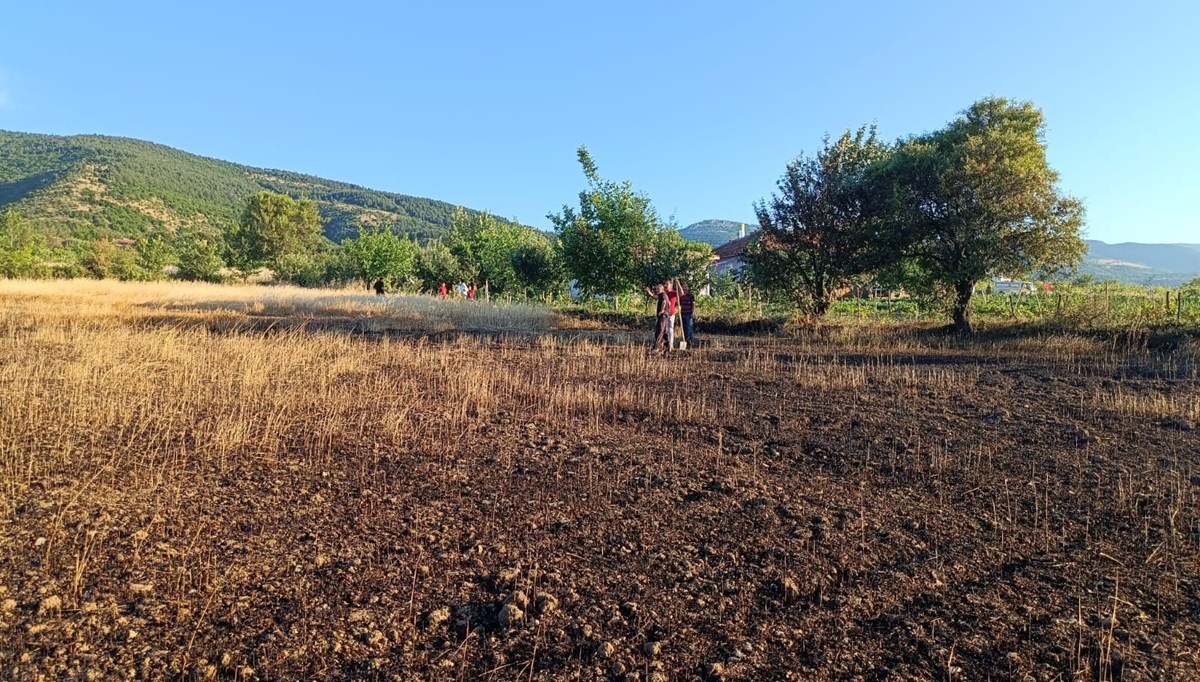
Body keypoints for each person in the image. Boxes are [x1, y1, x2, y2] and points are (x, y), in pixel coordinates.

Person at [644, 283, 670, 355]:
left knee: (659, 332)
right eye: (656, 289)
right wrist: (649, 292)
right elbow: (654, 296)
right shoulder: (661, 295)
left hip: (663, 317)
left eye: (658, 289)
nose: (657, 290)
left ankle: (656, 348)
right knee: (665, 333)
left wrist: (661, 311)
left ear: (662, 289)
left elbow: (664, 302)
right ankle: (667, 350)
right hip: (665, 317)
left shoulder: (663, 295)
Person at [676, 278, 695, 348]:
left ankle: (690, 341)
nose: (684, 288)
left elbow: (693, 304)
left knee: (689, 328)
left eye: (685, 287)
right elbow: (679, 304)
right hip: (682, 313)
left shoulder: (691, 295)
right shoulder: (681, 296)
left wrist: (692, 312)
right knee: (684, 328)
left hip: (688, 313)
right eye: (683, 287)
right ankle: (686, 341)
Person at [663, 279, 679, 351]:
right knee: (664, 330)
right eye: (665, 284)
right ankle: (665, 344)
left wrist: (678, 283)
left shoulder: (673, 293)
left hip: (671, 313)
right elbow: (656, 296)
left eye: (667, 284)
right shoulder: (663, 294)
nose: (665, 285)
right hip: (664, 314)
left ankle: (670, 345)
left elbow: (681, 293)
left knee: (670, 329)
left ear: (671, 285)